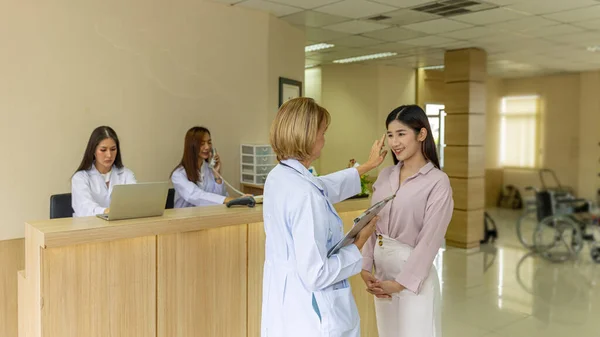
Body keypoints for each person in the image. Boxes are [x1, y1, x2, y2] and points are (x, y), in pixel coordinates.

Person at [261, 97, 387, 337]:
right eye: (322, 131)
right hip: (313, 316)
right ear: (308, 136)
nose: (324, 139)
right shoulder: (304, 194)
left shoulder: (279, 177)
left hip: (287, 305)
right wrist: (359, 242)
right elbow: (316, 274)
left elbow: (322, 186)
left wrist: (367, 166)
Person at [361, 105, 454, 337]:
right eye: (390, 135)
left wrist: (401, 283)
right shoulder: (385, 176)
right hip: (382, 277)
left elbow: (430, 240)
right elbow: (371, 223)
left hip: (414, 277)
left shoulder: (437, 182)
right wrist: (364, 267)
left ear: (421, 135)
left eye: (401, 134)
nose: (394, 142)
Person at [72, 126, 137, 217]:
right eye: (103, 150)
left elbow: (135, 203)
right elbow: (84, 208)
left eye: (113, 149)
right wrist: (106, 211)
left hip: (119, 227)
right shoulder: (80, 178)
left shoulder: (126, 175)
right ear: (93, 151)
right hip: (89, 227)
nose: (109, 155)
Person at [171, 126, 233, 207]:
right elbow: (196, 195)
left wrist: (217, 175)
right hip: (186, 218)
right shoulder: (178, 174)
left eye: (209, 142)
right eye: (202, 143)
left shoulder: (210, 169)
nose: (207, 147)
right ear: (192, 146)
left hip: (208, 216)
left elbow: (219, 198)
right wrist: (227, 200)